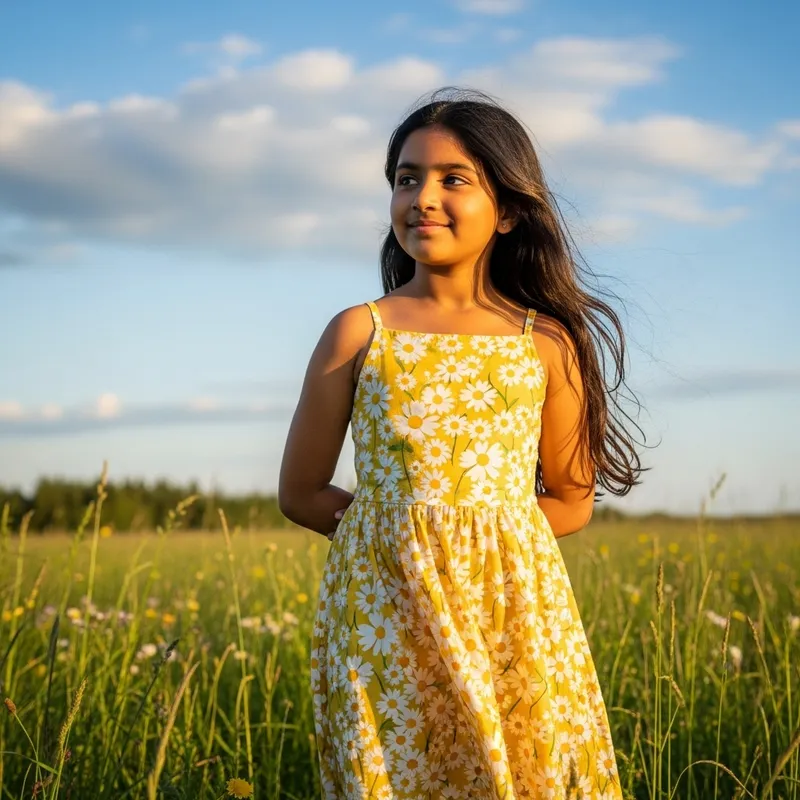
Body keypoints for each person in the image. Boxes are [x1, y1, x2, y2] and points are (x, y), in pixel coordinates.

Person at [278, 87, 643, 799]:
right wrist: (389, 540)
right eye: (407, 178)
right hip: (384, 617)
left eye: (453, 179)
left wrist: (490, 548)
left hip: (511, 620)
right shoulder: (360, 333)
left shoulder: (543, 343)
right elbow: (300, 492)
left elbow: (570, 499)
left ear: (507, 211)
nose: (422, 197)